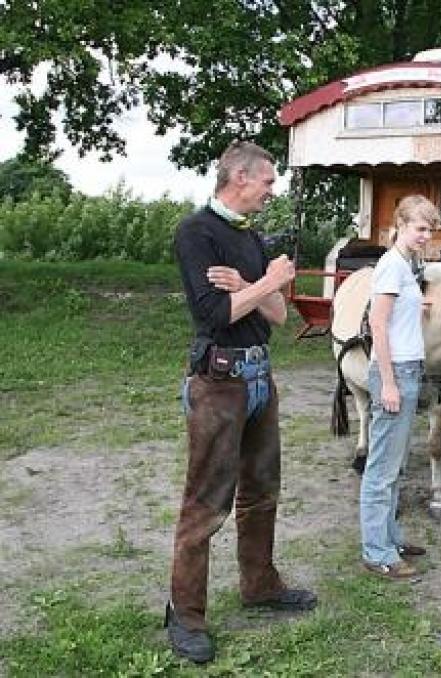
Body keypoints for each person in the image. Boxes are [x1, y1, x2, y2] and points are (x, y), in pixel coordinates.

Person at [166, 141, 316, 664]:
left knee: (262, 492)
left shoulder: (249, 239)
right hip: (219, 382)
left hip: (258, 380)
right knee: (206, 503)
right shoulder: (196, 232)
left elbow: (276, 315)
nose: (273, 191)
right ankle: (184, 615)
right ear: (239, 177)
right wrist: (269, 282)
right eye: (268, 181)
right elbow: (213, 315)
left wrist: (254, 284)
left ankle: (260, 586)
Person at [360, 195, 436, 580]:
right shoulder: (392, 267)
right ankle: (377, 552)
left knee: (395, 464)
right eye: (420, 228)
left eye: (430, 229)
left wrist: (418, 307)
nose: (426, 235)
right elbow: (378, 325)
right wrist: (388, 383)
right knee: (381, 469)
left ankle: (390, 538)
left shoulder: (406, 267)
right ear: (402, 225)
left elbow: (395, 318)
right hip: (396, 374)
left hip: (408, 369)